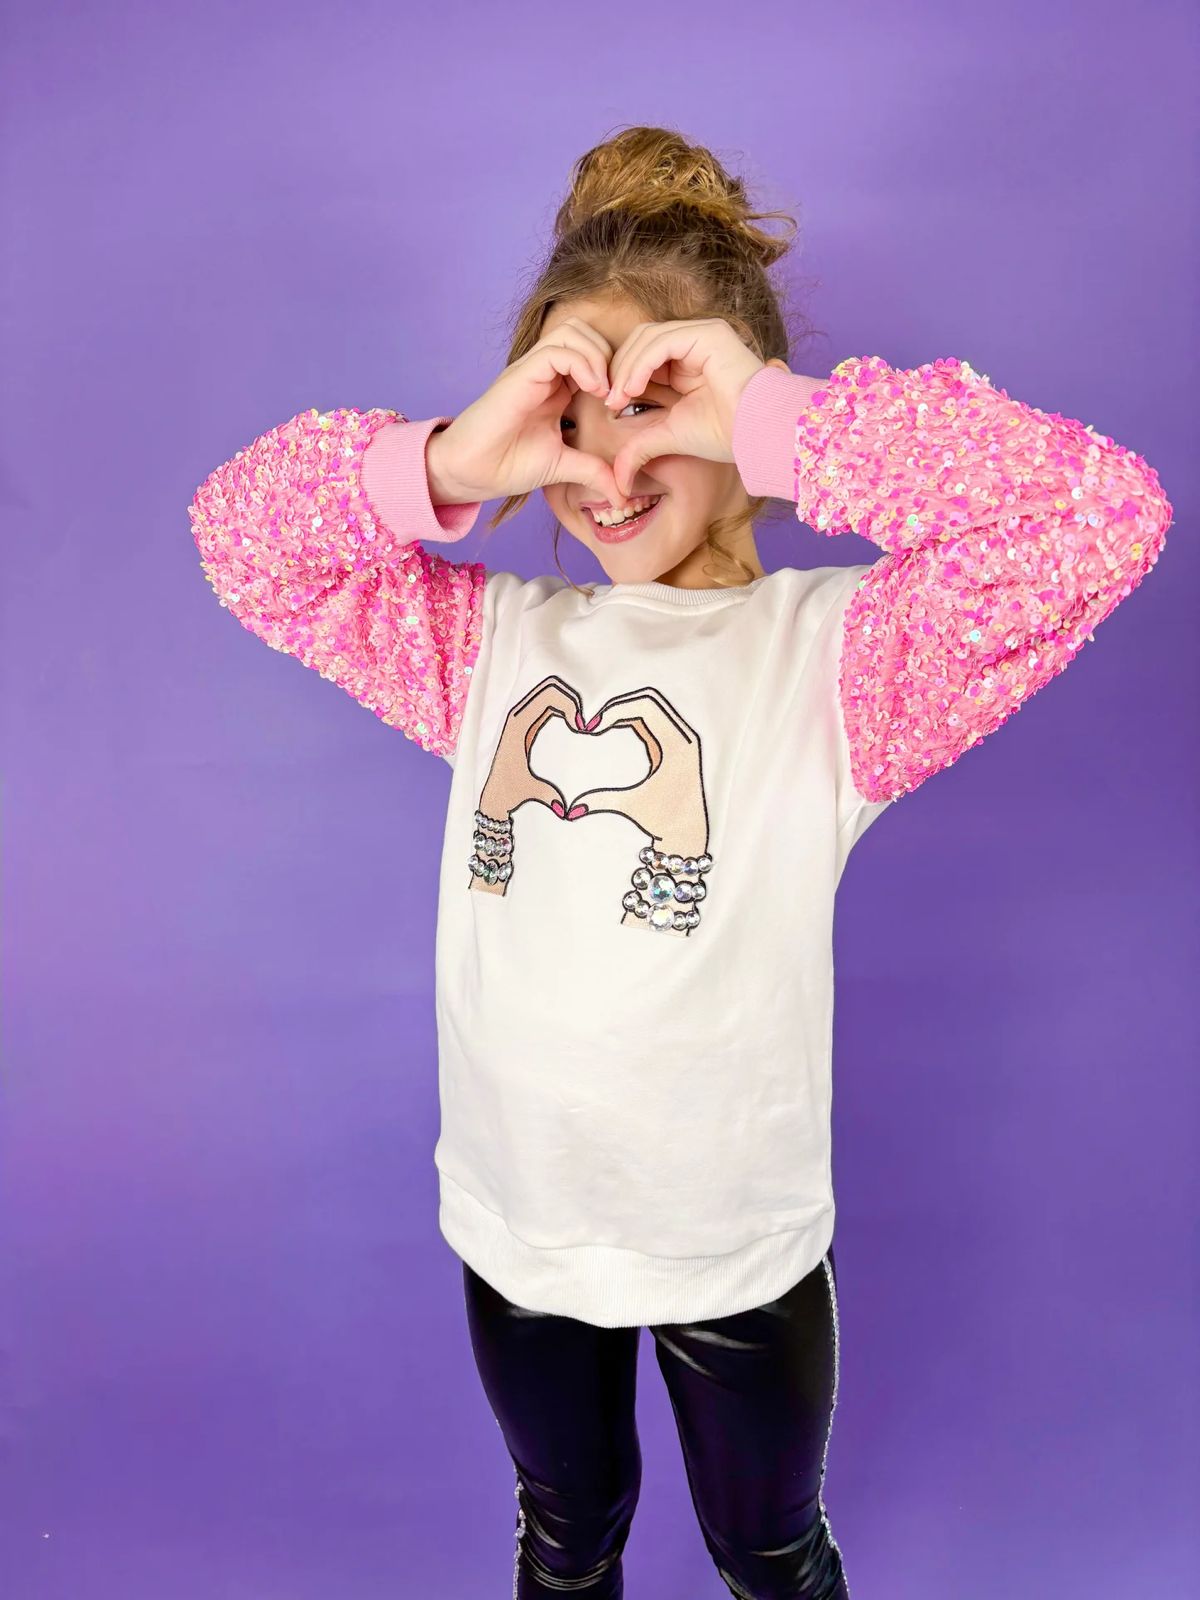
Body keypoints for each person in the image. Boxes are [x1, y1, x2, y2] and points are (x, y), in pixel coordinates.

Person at [188, 125, 1173, 1600]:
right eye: (573, 420)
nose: (610, 468)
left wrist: (777, 417)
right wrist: (455, 458)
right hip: (524, 1228)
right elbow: (240, 539)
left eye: (660, 411)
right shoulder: (486, 644)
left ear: (732, 416)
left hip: (734, 1251)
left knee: (767, 1556)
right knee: (564, 1540)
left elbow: (1097, 514)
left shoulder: (840, 661)